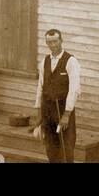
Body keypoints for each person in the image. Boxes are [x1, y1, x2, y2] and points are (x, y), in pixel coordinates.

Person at [32, 29, 80, 163]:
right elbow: (40, 88)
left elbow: (74, 90)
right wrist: (39, 113)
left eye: (55, 41)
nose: (52, 45)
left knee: (66, 146)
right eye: (49, 42)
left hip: (63, 108)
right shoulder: (45, 61)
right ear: (46, 43)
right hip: (48, 110)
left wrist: (67, 114)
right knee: (50, 146)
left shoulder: (71, 61)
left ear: (61, 41)